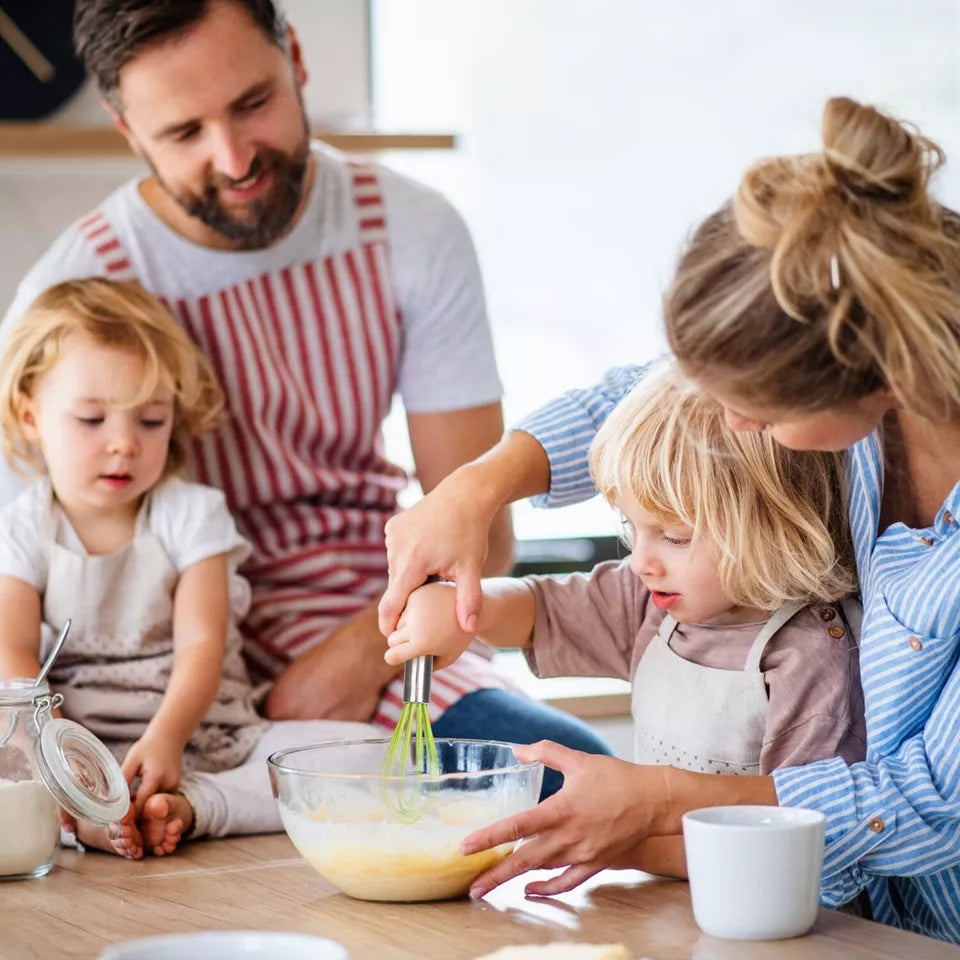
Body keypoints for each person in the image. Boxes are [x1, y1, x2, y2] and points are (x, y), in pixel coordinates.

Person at [377, 97, 960, 942]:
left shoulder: (805, 655)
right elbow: (643, 401)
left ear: (870, 368)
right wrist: (474, 488)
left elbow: (934, 800)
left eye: (758, 409)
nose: (733, 426)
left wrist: (653, 807)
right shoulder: (851, 383)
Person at [0, 0, 611, 789]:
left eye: (253, 102)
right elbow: (24, 569)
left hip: (376, 616)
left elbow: (481, 535)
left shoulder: (409, 230)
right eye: (183, 134)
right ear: (128, 131)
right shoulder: (77, 289)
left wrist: (360, 655)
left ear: (295, 58)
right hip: (156, 681)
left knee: (576, 780)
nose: (233, 159)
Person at [383, 361, 865, 892]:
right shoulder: (652, 601)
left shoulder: (809, 659)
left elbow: (793, 843)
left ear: (777, 525)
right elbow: (540, 610)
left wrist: (620, 844)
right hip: (666, 901)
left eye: (675, 536)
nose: (641, 561)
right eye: (631, 528)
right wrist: (461, 610)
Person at [0, 277, 380, 859]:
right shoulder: (22, 527)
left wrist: (167, 738)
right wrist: (56, 760)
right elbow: (13, 653)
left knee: (375, 751)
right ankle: (88, 813)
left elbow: (203, 646)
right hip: (73, 744)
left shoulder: (193, 514)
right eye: (92, 419)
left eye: (151, 421)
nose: (124, 443)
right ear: (31, 416)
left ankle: (195, 804)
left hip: (203, 736)